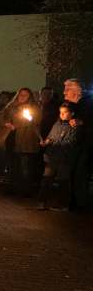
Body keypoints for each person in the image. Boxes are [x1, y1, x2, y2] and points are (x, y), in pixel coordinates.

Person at [0, 87, 41, 195]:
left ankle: (25, 190)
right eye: (21, 94)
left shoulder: (33, 107)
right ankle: (13, 187)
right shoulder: (11, 106)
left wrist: (15, 125)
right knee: (12, 164)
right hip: (11, 138)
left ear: (30, 96)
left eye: (25, 95)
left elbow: (34, 120)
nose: (22, 97)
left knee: (25, 166)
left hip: (25, 140)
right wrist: (5, 123)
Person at [38, 103, 78, 210]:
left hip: (64, 158)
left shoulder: (74, 126)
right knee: (46, 180)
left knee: (63, 181)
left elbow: (71, 141)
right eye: (61, 112)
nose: (62, 114)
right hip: (52, 157)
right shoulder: (56, 124)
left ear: (72, 113)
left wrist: (55, 142)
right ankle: (42, 202)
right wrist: (46, 142)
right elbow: (50, 137)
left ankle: (63, 204)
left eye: (65, 112)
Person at [62, 78, 90, 211]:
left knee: (80, 174)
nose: (64, 92)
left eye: (67, 89)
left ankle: (81, 204)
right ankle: (73, 202)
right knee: (73, 174)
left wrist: (82, 122)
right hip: (74, 145)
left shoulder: (89, 104)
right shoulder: (71, 106)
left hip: (86, 146)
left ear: (77, 91)